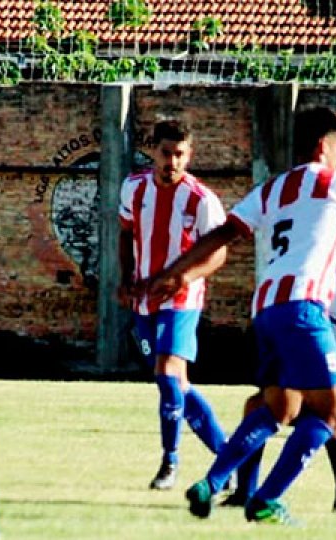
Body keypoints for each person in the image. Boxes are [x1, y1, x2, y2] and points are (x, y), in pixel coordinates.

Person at [148, 106, 336, 524]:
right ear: (323, 146)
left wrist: (176, 272)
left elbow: (223, 233)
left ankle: (211, 482)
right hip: (304, 309)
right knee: (332, 415)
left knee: (277, 408)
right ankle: (266, 500)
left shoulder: (272, 189)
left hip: (266, 310)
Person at [117, 119, 231, 490]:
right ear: (153, 150)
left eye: (180, 155)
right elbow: (125, 233)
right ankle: (229, 459)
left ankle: (170, 463)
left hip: (182, 299)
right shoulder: (134, 187)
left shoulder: (201, 199)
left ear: (189, 155)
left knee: (167, 374)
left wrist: (184, 278)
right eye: (166, 153)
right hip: (145, 301)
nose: (172, 162)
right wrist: (125, 278)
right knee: (176, 385)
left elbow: (219, 253)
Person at [223, 268, 336, 513]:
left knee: (325, 412)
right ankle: (244, 492)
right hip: (310, 382)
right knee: (256, 406)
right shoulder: (288, 293)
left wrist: (317, 391)